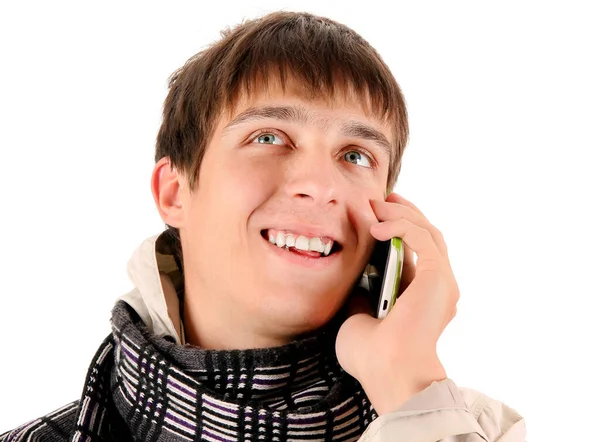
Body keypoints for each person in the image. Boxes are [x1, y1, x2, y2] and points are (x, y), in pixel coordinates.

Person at [1, 10, 525, 442]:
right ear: (175, 192)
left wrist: (410, 391)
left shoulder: (471, 430)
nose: (320, 185)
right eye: (269, 137)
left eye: (356, 154)